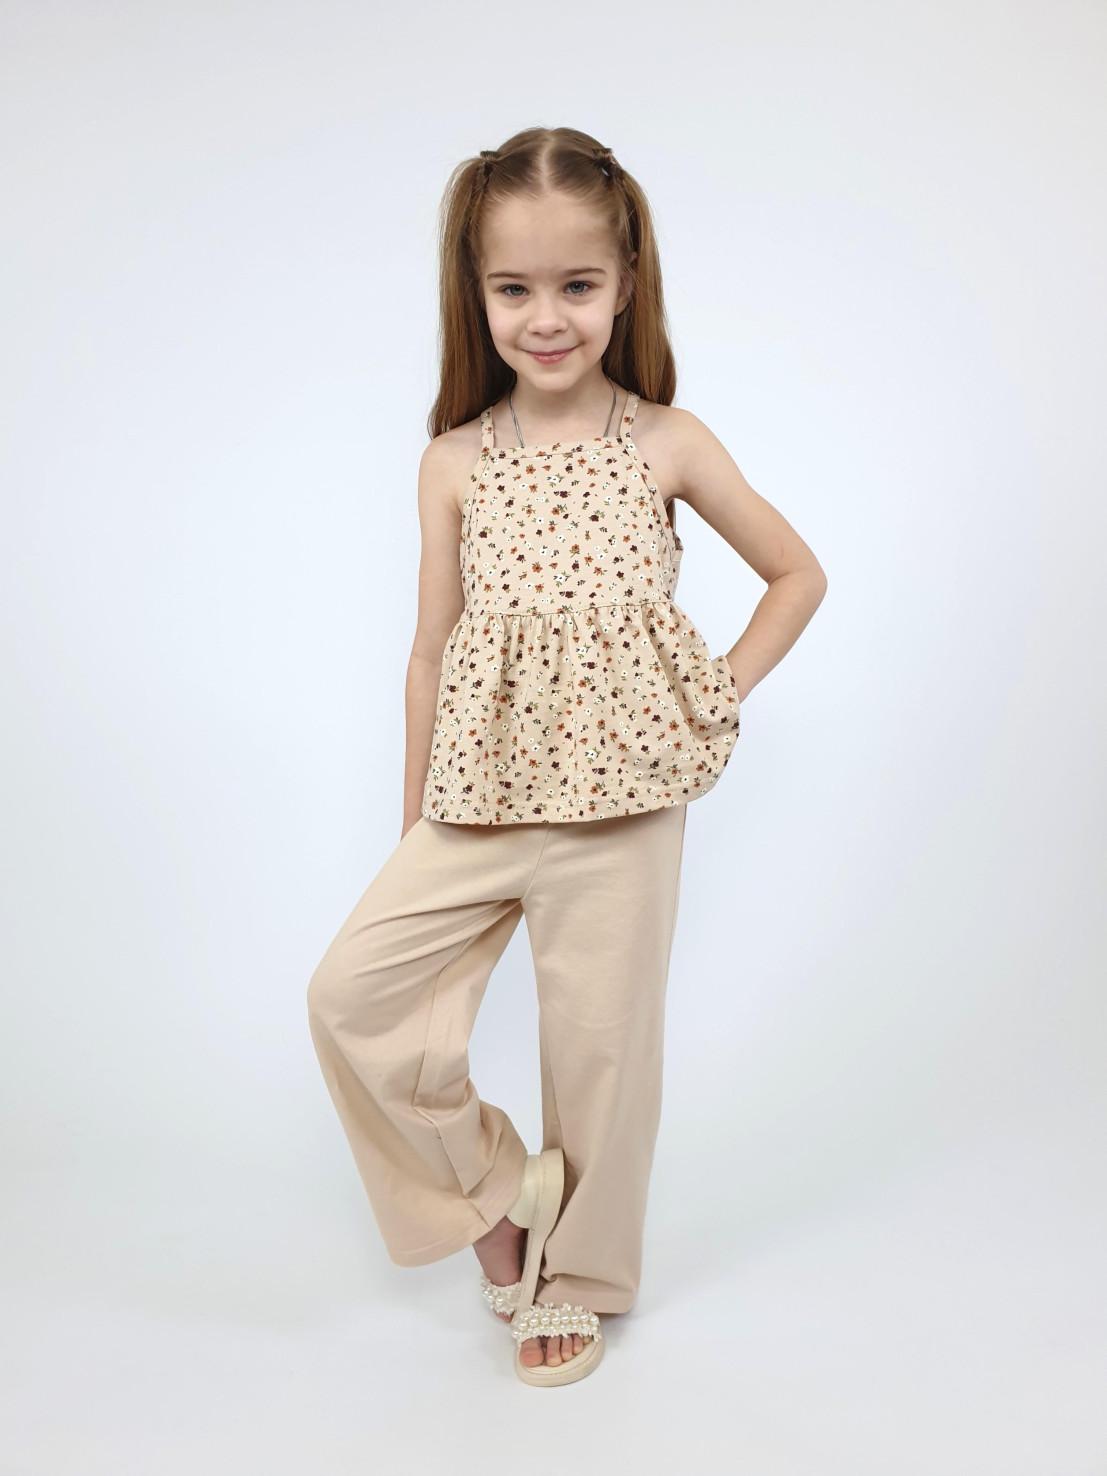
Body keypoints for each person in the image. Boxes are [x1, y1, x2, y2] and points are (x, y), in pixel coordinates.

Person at [306, 125, 827, 1387]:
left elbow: (797, 576)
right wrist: (415, 818)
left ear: (627, 283)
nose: (547, 318)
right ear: (475, 293)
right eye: (515, 288)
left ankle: (578, 1280)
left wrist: (708, 697)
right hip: (478, 801)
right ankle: (498, 1196)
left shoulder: (668, 442)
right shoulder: (453, 464)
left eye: (578, 284)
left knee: (601, 1056)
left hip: (625, 809)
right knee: (351, 997)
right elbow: (430, 651)